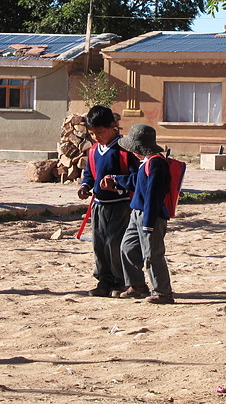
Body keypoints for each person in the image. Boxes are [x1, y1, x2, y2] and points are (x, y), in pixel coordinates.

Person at [101, 124, 174, 304]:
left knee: (152, 254)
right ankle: (136, 285)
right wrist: (117, 180)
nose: (132, 152)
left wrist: (148, 223)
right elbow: (136, 181)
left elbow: (153, 196)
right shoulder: (146, 162)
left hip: (150, 216)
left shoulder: (156, 163)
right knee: (127, 247)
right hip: (137, 214)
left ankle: (163, 292)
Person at [78, 106, 139, 297]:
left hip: (121, 204)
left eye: (100, 132)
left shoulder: (125, 150)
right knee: (99, 243)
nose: (96, 137)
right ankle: (103, 281)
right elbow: (89, 174)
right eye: (92, 134)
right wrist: (85, 186)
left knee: (114, 243)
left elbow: (134, 177)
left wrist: (116, 184)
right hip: (99, 205)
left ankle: (119, 281)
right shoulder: (93, 151)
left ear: (113, 127)